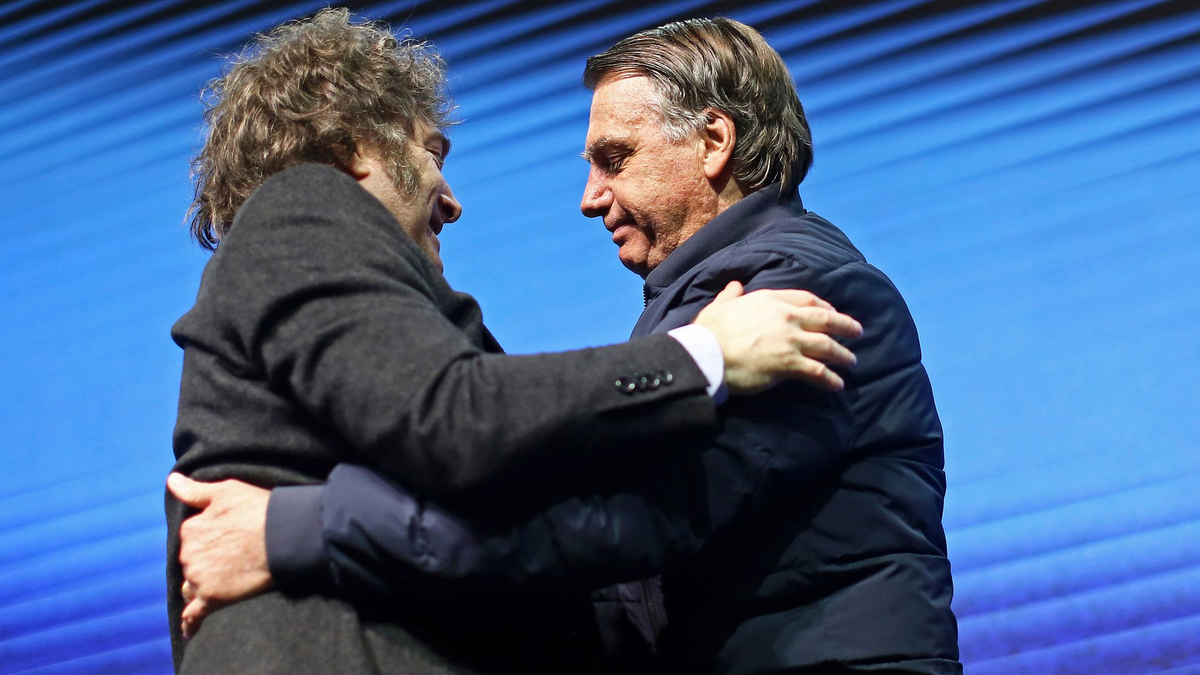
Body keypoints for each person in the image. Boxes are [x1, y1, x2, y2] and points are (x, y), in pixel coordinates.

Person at [174, 15, 961, 675]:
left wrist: (296, 529)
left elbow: (623, 519)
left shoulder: (792, 296)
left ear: (714, 141)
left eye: (614, 158)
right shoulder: (710, 313)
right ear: (354, 149)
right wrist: (701, 354)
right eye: (430, 152)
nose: (589, 198)